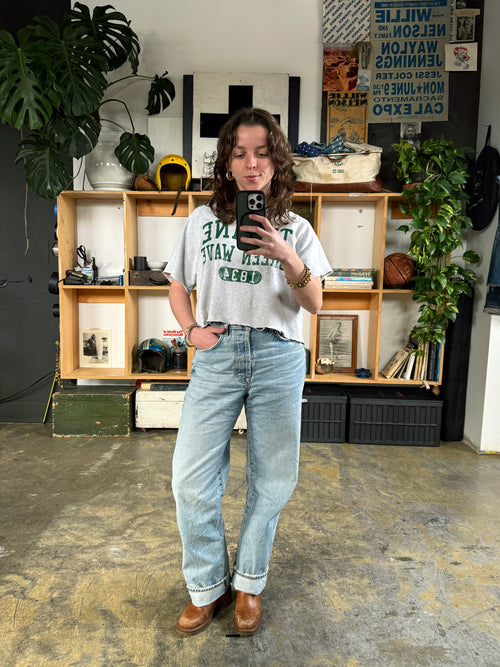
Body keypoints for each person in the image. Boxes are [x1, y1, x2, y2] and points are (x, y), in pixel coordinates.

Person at [168, 107, 331, 636]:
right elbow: (177, 283)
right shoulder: (201, 220)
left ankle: (249, 584)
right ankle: (207, 586)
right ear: (227, 162)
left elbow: (315, 303)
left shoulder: (297, 229)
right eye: (240, 153)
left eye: (262, 153)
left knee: (273, 478)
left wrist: (286, 255)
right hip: (217, 353)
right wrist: (191, 331)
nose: (252, 163)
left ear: (276, 161)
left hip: (277, 354)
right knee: (190, 478)